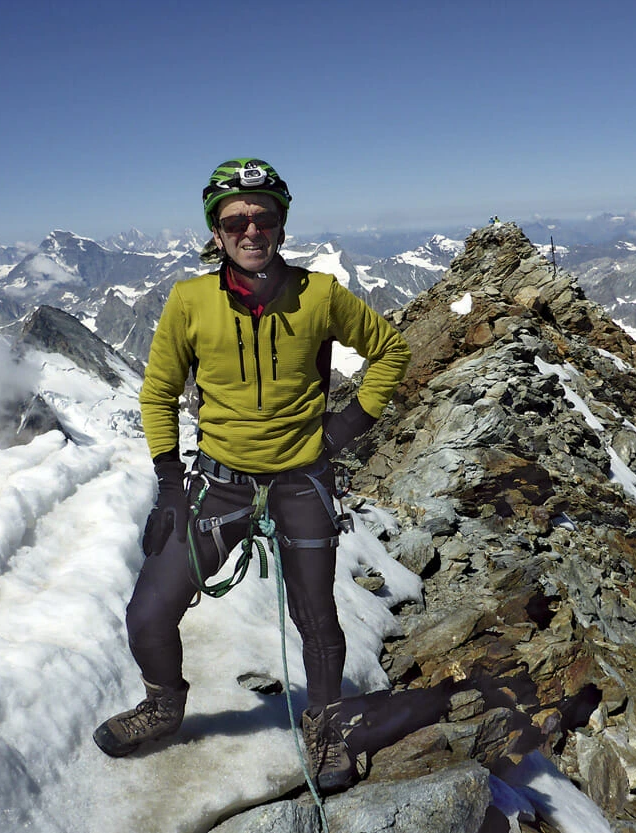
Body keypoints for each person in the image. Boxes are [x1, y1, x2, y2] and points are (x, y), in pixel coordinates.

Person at [93, 158, 411, 793]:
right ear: (216, 232)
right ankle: (163, 704)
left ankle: (326, 724)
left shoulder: (320, 295)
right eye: (234, 219)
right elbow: (158, 393)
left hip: (301, 480)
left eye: (263, 217)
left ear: (281, 226)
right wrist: (168, 481)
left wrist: (342, 430)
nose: (250, 228)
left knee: (316, 617)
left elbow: (392, 351)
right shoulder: (189, 302)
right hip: (218, 481)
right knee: (148, 614)